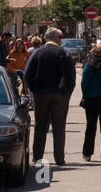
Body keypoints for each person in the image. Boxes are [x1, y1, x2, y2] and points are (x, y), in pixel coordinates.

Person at [23, 28, 76, 166]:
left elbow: (27, 73)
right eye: (60, 37)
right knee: (59, 127)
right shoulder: (64, 52)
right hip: (60, 94)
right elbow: (71, 74)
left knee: (40, 126)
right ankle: (59, 158)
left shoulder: (37, 52)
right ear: (56, 37)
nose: (61, 39)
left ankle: (37, 157)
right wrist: (68, 92)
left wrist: (34, 90)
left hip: (41, 94)